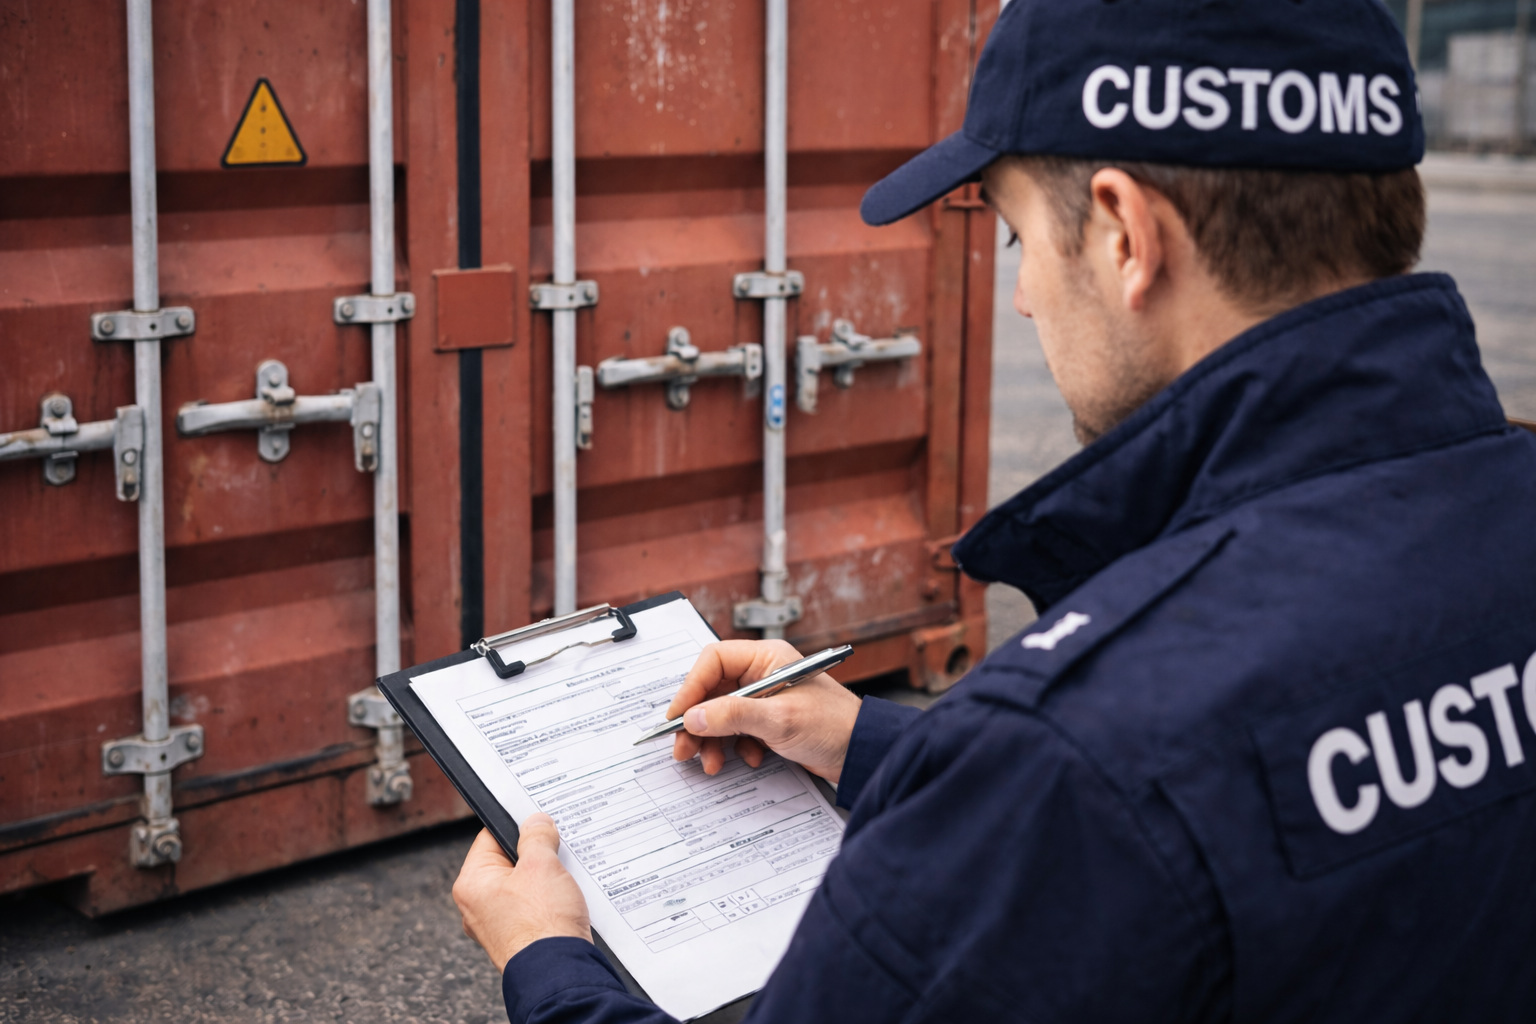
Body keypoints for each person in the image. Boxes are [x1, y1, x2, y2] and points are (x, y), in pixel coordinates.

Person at [453, 0, 1536, 1020]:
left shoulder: (1070, 754)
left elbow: (1130, 784)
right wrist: (874, 743)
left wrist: (548, 960)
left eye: (1018, 237)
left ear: (1123, 234)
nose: (1020, 294)